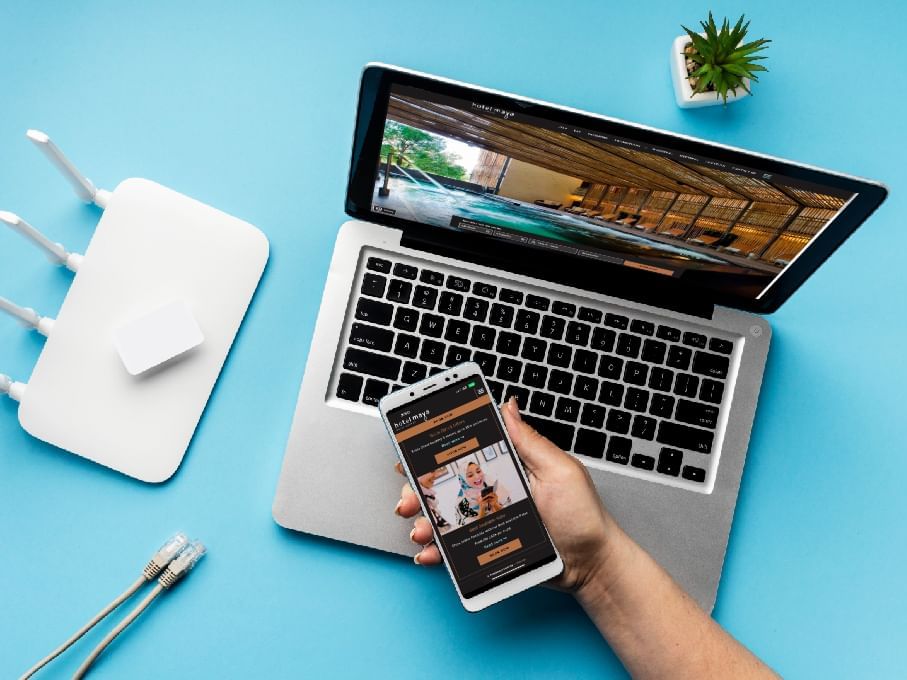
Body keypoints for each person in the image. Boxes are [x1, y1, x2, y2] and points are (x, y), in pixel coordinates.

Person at [394, 399, 776, 679]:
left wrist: (593, 562)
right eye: (470, 473)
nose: (477, 476)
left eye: (480, 470)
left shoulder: (502, 490)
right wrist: (597, 564)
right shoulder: (463, 504)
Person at [453, 457, 511, 526]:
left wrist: (495, 504)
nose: (477, 477)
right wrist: (482, 508)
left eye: (478, 471)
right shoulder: (462, 504)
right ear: (463, 480)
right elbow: (473, 531)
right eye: (470, 475)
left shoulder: (494, 487)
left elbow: (510, 516)